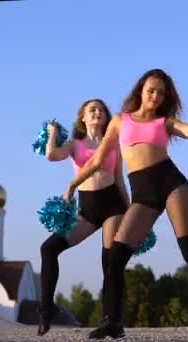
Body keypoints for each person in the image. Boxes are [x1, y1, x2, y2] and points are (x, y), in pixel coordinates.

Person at [64, 69, 188, 339]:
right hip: (143, 196)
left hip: (174, 185)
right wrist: (73, 183)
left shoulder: (165, 122)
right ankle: (113, 322)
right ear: (140, 90)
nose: (155, 96)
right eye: (151, 90)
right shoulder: (119, 121)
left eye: (161, 93)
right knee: (116, 257)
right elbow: (96, 161)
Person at [38, 99, 128, 336]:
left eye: (101, 109)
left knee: (110, 261)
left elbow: (120, 181)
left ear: (106, 117)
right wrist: (53, 134)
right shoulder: (74, 144)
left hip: (113, 206)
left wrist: (131, 211)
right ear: (83, 118)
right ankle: (47, 310)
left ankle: (112, 321)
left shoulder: (113, 144)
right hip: (87, 210)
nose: (97, 112)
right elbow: (51, 156)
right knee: (49, 248)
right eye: (92, 110)